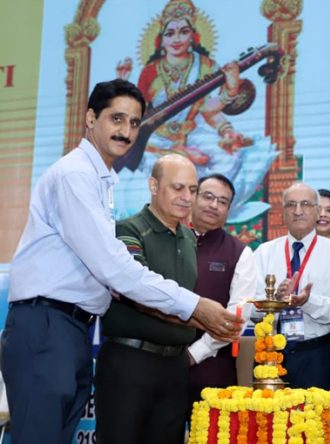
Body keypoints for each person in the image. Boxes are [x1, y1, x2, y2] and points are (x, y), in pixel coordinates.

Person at [0, 79, 240, 444]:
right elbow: (114, 269)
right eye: (116, 119)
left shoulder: (101, 179)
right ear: (90, 118)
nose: (126, 131)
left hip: (71, 329)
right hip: (47, 325)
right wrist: (196, 307)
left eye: (133, 122)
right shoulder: (76, 175)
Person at [96, 154, 203, 443]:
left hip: (175, 366)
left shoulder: (190, 238)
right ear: (154, 186)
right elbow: (138, 292)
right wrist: (205, 314)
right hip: (130, 363)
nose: (186, 197)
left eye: (192, 190)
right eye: (177, 188)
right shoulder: (128, 230)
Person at [253, 182, 330, 389]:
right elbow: (250, 307)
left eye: (305, 204)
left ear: (317, 211)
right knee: (267, 419)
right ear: (282, 213)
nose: (298, 211)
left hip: (315, 355)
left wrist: (307, 301)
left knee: (315, 419)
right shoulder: (264, 251)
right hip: (270, 353)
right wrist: (276, 302)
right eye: (291, 205)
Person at [136, 0, 252, 170]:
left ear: (192, 36)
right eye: (169, 33)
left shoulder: (206, 66)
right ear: (161, 40)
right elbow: (139, 123)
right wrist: (180, 152)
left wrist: (227, 132)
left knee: (230, 158)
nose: (176, 39)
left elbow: (208, 111)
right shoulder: (149, 72)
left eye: (183, 32)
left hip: (193, 133)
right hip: (157, 139)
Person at [187, 173, 257, 406]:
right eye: (208, 196)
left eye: (223, 201)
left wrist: (195, 353)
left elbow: (238, 316)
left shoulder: (240, 253)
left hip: (213, 366)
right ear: (193, 197)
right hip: (161, 363)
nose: (214, 205)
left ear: (229, 210)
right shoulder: (169, 240)